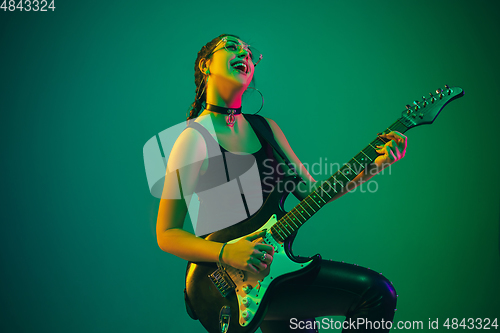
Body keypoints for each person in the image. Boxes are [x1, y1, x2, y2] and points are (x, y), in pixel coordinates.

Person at [156, 34, 407, 333]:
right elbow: (167, 234)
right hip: (226, 287)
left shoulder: (266, 129)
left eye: (250, 53)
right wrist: (226, 253)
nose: (245, 55)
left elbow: (313, 193)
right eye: (233, 47)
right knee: (376, 293)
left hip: (276, 273)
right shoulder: (193, 138)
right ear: (206, 64)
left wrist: (375, 167)